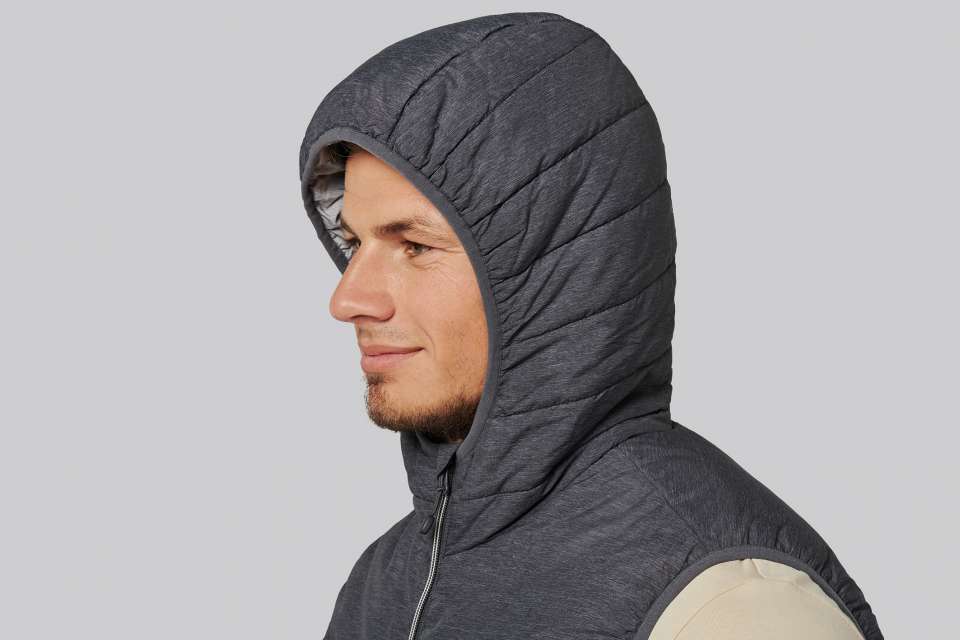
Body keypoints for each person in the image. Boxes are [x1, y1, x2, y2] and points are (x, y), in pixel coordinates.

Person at [298, 12, 884, 640]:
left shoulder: (724, 604)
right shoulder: (389, 581)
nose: (348, 298)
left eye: (414, 245)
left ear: (558, 266)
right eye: (353, 243)